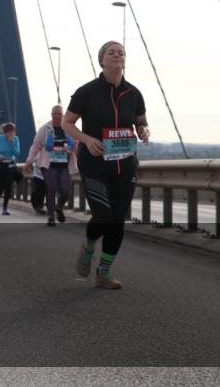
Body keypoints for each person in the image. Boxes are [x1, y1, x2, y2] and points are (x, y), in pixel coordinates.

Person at [63, 40, 150, 290]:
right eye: (111, 52)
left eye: (120, 52)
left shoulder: (133, 93)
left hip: (125, 165)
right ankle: (90, 244)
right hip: (95, 163)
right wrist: (87, 140)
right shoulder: (87, 91)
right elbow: (68, 123)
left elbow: (140, 121)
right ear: (102, 60)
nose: (116, 55)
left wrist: (143, 131)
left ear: (125, 60)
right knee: (103, 215)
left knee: (117, 220)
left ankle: (104, 272)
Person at [26, 105, 76, 227]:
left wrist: (72, 147)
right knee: (51, 189)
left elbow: (77, 143)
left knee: (65, 191)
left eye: (59, 114)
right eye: (55, 114)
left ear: (63, 115)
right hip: (49, 165)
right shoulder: (45, 129)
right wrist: (30, 160)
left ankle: (59, 208)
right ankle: (51, 217)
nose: (57, 116)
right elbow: (36, 145)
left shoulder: (69, 128)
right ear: (51, 114)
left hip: (65, 165)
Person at [0, 123, 21, 215]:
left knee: (9, 186)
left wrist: (12, 143)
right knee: (1, 186)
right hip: (0, 165)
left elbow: (17, 153)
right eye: (10, 132)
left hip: (11, 164)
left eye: (13, 131)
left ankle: (5, 208)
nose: (12, 133)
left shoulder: (16, 139)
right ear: (6, 132)